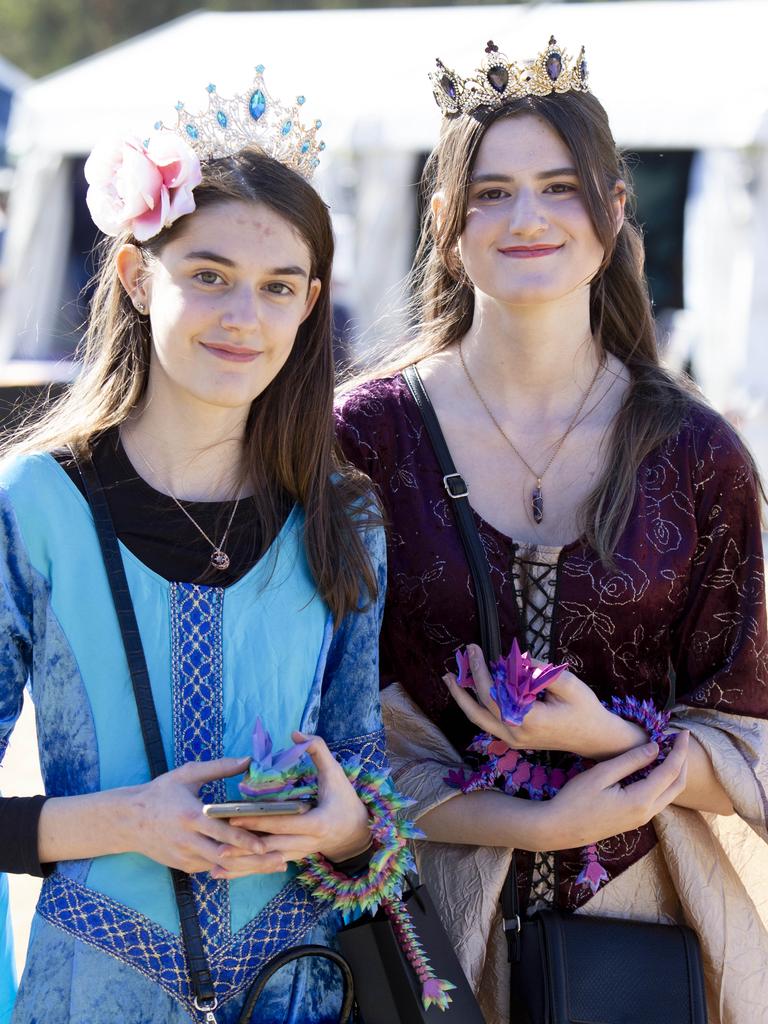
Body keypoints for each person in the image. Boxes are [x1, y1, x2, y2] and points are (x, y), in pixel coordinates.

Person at [335, 38, 768, 1023]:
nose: (527, 217)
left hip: (641, 937)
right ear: (444, 225)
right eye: (491, 194)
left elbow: (751, 735)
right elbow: (321, 710)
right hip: (415, 934)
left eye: (560, 187)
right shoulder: (361, 441)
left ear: (614, 213)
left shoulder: (700, 455)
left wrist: (605, 738)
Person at [0, 71, 389, 1024]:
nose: (242, 317)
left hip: (302, 991)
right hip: (90, 991)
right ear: (137, 276)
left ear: (309, 307)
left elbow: (370, 786)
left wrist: (349, 825)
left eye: (277, 288)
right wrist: (125, 821)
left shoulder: (346, 513)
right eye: (208, 276)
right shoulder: (32, 505)